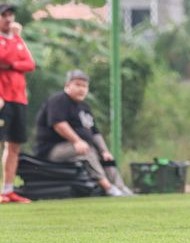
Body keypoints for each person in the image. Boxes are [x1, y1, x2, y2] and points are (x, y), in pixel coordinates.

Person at [34, 69, 132, 197]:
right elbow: (59, 124)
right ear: (67, 85)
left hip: (78, 148)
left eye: (85, 86)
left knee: (106, 158)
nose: (82, 89)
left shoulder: (84, 107)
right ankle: (108, 188)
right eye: (78, 85)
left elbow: (95, 132)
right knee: (86, 150)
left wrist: (104, 151)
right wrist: (77, 141)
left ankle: (121, 187)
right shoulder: (58, 100)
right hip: (52, 150)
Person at [0, 3, 35, 204]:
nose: (8, 19)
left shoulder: (16, 40)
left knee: (14, 146)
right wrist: (14, 43)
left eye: (11, 15)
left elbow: (30, 64)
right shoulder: (10, 41)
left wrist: (12, 65)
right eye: (4, 15)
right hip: (2, 99)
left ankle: (8, 190)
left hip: (19, 99)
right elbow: (3, 57)